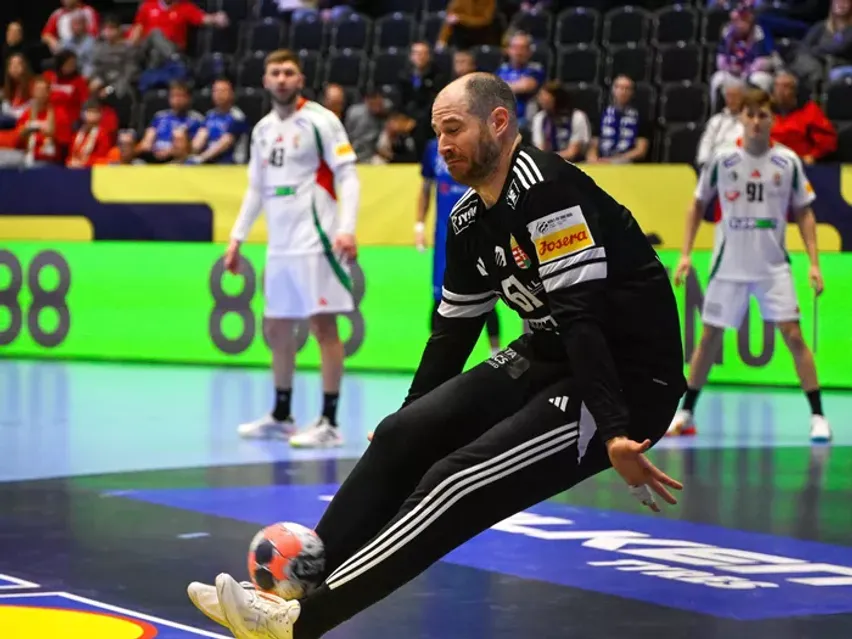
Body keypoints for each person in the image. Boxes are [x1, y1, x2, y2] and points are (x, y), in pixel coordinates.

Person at [187, 72, 686, 638]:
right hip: (549, 353)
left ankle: (298, 623)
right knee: (399, 436)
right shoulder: (468, 219)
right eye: (437, 132)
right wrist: (415, 416)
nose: (443, 145)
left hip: (627, 381)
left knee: (456, 481)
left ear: (499, 123)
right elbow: (453, 331)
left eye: (454, 129)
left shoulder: (547, 189)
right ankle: (283, 592)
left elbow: (582, 319)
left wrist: (616, 431)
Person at [668, 88, 831, 443]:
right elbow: (697, 204)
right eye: (750, 114)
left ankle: (818, 416)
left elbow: (804, 212)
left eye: (763, 115)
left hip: (773, 267)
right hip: (729, 265)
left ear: (772, 120)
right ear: (741, 118)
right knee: (709, 337)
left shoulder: (787, 161)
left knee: (793, 335)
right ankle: (687, 412)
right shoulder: (722, 159)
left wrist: (814, 264)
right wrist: (685, 253)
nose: (756, 121)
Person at [228, 50, 360, 448]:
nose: (282, 79)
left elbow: (348, 176)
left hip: (317, 238)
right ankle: (282, 414)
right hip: (280, 245)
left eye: (289, 72)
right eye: (275, 73)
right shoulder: (262, 130)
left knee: (323, 326)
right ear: (265, 80)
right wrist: (237, 237)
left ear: (300, 79)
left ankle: (330, 422)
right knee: (276, 327)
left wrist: (347, 228)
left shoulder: (321, 120)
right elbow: (255, 188)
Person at [417, 135, 501, 354]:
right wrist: (419, 225)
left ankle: (496, 354)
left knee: (487, 296)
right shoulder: (432, 149)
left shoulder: (479, 144)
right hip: (444, 237)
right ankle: (436, 356)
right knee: (439, 297)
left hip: (479, 233)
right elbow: (425, 189)